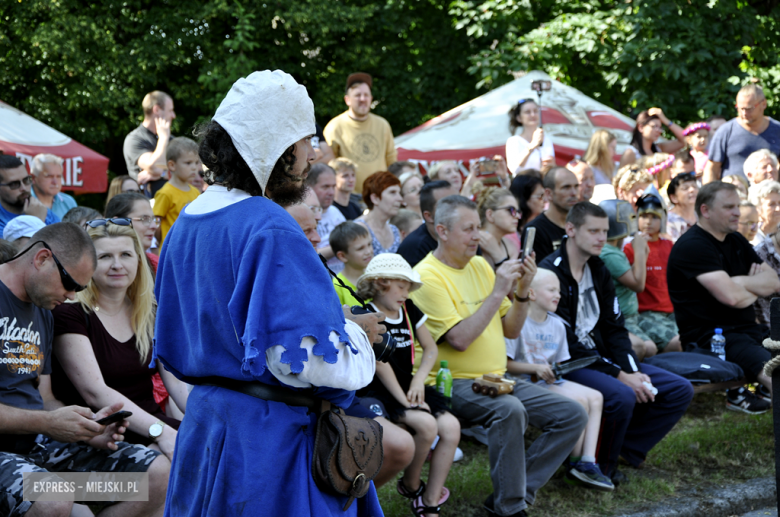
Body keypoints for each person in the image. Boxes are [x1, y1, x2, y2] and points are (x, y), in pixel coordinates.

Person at [153, 70, 386, 516]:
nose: (311, 153)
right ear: (278, 149)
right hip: (269, 446)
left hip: (209, 428)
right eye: (304, 142)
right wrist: (357, 336)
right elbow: (308, 359)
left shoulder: (189, 220)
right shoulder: (269, 225)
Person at [411, 195, 587, 517]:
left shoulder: (479, 265)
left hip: (496, 379)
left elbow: (511, 329)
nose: (477, 236)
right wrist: (497, 292)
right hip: (451, 382)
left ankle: (513, 494)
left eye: (478, 227)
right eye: (468, 229)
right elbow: (460, 340)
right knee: (509, 411)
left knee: (572, 414)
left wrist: (521, 289)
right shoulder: (426, 276)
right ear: (442, 231)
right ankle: (510, 508)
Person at [0, 222, 169, 517]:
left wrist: (85, 430)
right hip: (9, 455)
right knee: (55, 499)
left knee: (156, 475)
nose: (72, 297)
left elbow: (46, 398)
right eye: (71, 285)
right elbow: (45, 417)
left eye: (80, 289)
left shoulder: (44, 310)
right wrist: (47, 424)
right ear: (42, 259)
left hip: (40, 449)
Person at [539, 202, 694, 483]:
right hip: (567, 362)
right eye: (594, 231)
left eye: (605, 231)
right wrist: (621, 375)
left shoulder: (598, 269)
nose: (602, 238)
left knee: (678, 389)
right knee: (621, 394)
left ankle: (624, 448)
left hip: (602, 358)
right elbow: (568, 343)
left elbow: (615, 330)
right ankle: (600, 465)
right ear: (571, 230)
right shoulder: (551, 272)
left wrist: (632, 370)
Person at [51, 221, 188, 459]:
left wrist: (213, 423)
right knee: (170, 466)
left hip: (151, 426)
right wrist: (160, 432)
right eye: (104, 256)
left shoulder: (149, 312)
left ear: (138, 260)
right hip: (102, 436)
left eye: (125, 254)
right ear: (88, 263)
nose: (117, 265)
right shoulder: (69, 313)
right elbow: (96, 392)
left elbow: (176, 383)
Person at [356, 254, 460, 516]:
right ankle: (412, 484)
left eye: (409, 286)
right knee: (426, 424)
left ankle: (429, 499)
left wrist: (418, 382)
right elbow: (380, 363)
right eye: (401, 286)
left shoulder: (409, 310)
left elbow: (431, 349)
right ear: (380, 282)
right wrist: (405, 401)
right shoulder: (368, 314)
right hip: (379, 390)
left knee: (451, 426)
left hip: (409, 386)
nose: (407, 292)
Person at [667, 181, 780, 414]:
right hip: (712, 339)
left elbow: (774, 282)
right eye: (729, 207)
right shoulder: (693, 246)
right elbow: (731, 298)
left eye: (737, 206)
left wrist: (739, 283)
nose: (737, 212)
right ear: (706, 210)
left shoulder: (735, 240)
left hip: (750, 330)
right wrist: (750, 287)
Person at [505, 269, 613, 492]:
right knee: (578, 403)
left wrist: (557, 371)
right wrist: (536, 368)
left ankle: (587, 461)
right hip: (522, 383)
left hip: (547, 382)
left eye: (559, 290)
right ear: (531, 293)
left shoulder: (558, 325)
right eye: (552, 290)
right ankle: (574, 465)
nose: (559, 295)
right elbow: (505, 364)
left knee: (596, 397)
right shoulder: (517, 322)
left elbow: (560, 364)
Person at [624, 193, 682, 353]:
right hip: (645, 312)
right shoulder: (629, 248)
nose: (648, 221)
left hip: (672, 311)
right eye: (643, 216)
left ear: (662, 219)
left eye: (654, 217)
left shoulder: (670, 246)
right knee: (678, 343)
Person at [599, 199, 656, 360]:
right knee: (649, 348)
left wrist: (641, 248)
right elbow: (638, 284)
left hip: (632, 315)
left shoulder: (614, 250)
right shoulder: (609, 254)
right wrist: (638, 250)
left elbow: (634, 271)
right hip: (622, 318)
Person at [323, 72, 397, 193]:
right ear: (347, 100)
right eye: (357, 95)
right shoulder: (335, 126)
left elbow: (391, 159)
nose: (363, 99)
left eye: (366, 95)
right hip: (349, 197)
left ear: (371, 98)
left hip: (380, 194)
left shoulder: (382, 124)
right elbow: (330, 165)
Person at [705, 84, 780, 183]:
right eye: (740, 108)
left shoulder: (777, 130)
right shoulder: (726, 131)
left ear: (763, 104)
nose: (744, 113)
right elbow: (712, 168)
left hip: (769, 195)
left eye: (749, 108)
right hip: (733, 196)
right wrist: (710, 196)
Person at [123, 90, 175, 196]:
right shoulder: (134, 139)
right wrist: (163, 137)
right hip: (146, 207)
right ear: (156, 110)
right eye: (170, 111)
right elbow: (154, 166)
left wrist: (163, 173)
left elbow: (190, 171)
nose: (173, 115)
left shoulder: (173, 140)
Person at [153, 137, 201, 250]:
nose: (194, 168)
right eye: (188, 163)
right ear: (172, 165)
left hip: (191, 248)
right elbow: (155, 224)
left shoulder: (195, 192)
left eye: (196, 162)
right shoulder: (165, 193)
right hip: (171, 249)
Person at [397, 180, 456, 268]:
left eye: (459, 202)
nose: (457, 210)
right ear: (429, 216)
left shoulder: (467, 235)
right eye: (447, 206)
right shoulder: (414, 248)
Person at [525, 167, 579, 261]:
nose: (574, 193)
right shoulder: (536, 230)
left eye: (576, 186)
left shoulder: (581, 224)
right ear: (548, 193)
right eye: (566, 187)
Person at [0, 154, 59, 234]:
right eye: (14, 184)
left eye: (26, 180)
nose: (24, 188)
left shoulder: (42, 211)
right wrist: (34, 222)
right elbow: (19, 246)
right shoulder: (38, 213)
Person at [106, 192, 162, 275]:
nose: (154, 226)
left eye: (153, 219)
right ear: (118, 222)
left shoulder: (157, 265)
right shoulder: (98, 265)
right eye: (145, 219)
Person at [305, 163, 346, 271]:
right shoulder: (303, 216)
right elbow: (307, 255)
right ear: (309, 187)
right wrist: (342, 246)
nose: (331, 192)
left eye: (333, 186)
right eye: (325, 187)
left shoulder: (335, 212)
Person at [356, 171, 404, 256]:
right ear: (375, 198)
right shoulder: (358, 229)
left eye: (399, 193)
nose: (400, 198)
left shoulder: (394, 231)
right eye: (392, 192)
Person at [619, 109, 685, 167]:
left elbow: (685, 139)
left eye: (660, 127)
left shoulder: (659, 149)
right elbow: (621, 178)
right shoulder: (631, 152)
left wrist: (665, 120)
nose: (658, 130)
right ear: (641, 127)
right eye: (654, 126)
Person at [475, 186, 520, 269]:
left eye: (518, 211)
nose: (517, 216)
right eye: (511, 210)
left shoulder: (511, 246)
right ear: (490, 215)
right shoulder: (473, 243)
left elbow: (511, 281)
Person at [506, 99, 555, 174]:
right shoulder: (513, 141)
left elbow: (552, 168)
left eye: (535, 111)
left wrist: (552, 165)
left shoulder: (547, 140)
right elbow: (514, 169)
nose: (533, 115)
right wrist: (532, 145)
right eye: (527, 112)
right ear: (519, 118)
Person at [331, 221, 374, 306]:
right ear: (342, 256)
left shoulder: (375, 275)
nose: (369, 251)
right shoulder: (337, 287)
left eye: (369, 244)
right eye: (360, 248)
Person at [30, 154, 77, 219]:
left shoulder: (69, 202)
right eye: (49, 176)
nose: (55, 182)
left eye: (59, 176)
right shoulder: (22, 202)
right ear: (33, 178)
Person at [666, 172, 699, 242]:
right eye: (685, 188)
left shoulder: (703, 215)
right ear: (674, 198)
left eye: (695, 186)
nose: (692, 190)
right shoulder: (668, 221)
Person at [748, 180, 780, 245]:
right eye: (772, 204)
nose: (778, 209)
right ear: (757, 208)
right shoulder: (751, 236)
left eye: (779, 203)